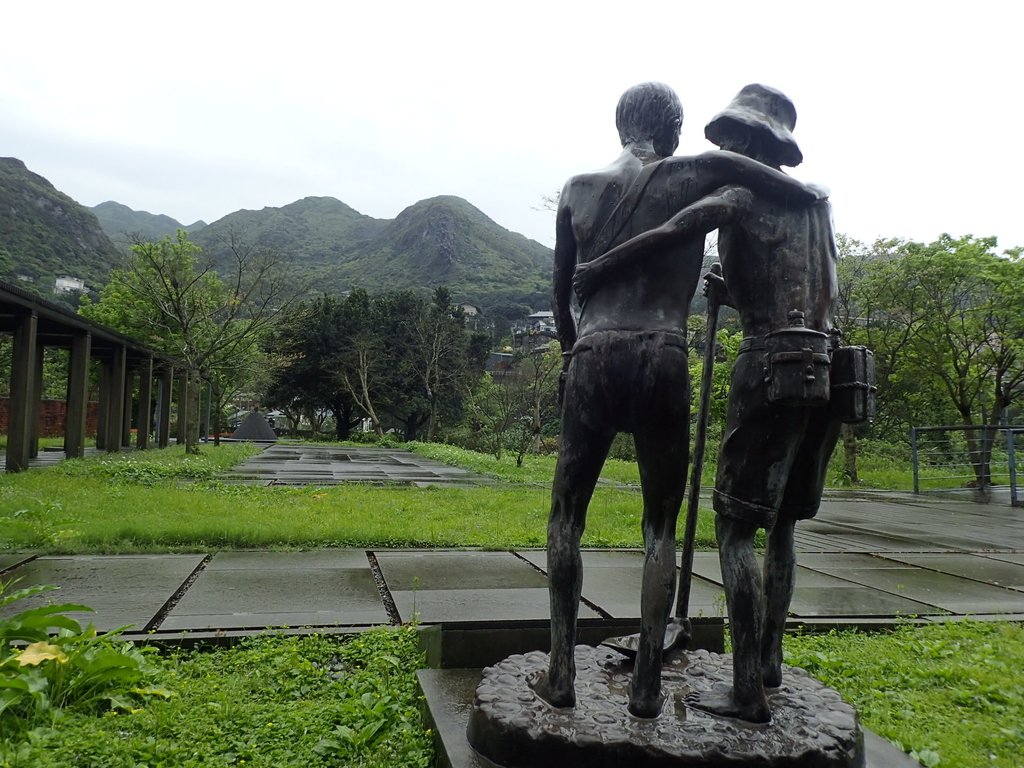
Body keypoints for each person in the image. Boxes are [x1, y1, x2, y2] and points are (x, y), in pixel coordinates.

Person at [529, 82, 824, 719]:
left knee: (564, 518)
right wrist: (806, 190)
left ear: (620, 125)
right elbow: (758, 179)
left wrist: (571, 356)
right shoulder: (694, 174)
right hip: (663, 355)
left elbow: (560, 300)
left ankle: (560, 672)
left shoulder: (577, 188)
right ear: (673, 130)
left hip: (593, 351)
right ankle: (646, 688)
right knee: (660, 526)